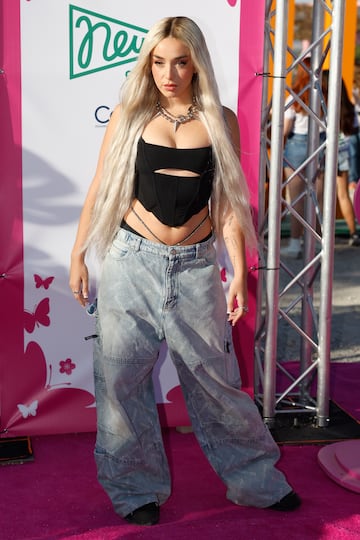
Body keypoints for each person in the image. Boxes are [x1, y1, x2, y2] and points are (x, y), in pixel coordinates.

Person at [69, 16, 301, 526]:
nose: (168, 73)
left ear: (195, 61)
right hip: (132, 263)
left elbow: (228, 206)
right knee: (121, 383)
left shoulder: (221, 119)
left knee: (216, 382)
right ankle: (135, 492)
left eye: (179, 61)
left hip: (196, 269)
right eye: (158, 62)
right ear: (147, 64)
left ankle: (254, 481)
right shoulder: (130, 117)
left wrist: (239, 271)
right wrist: (79, 253)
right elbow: (100, 187)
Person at [281, 58, 325, 258]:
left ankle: (294, 244)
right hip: (320, 143)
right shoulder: (325, 95)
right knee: (319, 197)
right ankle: (317, 242)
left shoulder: (294, 95)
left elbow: (286, 128)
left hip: (296, 145)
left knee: (296, 198)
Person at [322, 72, 360, 246]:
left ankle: (318, 235)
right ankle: (354, 233)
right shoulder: (347, 107)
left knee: (318, 194)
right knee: (343, 195)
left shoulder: (321, 106)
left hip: (323, 152)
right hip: (342, 151)